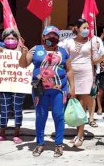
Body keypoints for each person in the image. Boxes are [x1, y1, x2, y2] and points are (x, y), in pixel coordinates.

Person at [19, 26, 75, 157]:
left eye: (55, 36)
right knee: (41, 116)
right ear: (43, 37)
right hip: (39, 90)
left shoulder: (63, 51)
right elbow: (23, 64)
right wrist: (23, 53)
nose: (52, 38)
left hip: (59, 90)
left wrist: (73, 87)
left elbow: (69, 70)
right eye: (49, 35)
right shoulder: (35, 49)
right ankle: (39, 144)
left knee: (58, 116)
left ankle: (58, 144)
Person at [61, 19, 104, 147]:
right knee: (74, 104)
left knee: (82, 105)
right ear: (76, 28)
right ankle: (77, 133)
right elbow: (64, 58)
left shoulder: (92, 42)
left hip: (86, 75)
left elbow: (94, 61)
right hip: (72, 75)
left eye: (88, 27)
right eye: (84, 27)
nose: (87, 30)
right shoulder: (68, 42)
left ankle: (80, 135)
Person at [0, 28, 25, 144]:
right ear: (4, 40)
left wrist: (25, 53)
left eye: (13, 38)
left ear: (17, 40)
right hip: (5, 86)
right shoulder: (0, 50)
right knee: (4, 109)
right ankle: (2, 133)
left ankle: (17, 134)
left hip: (19, 85)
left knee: (17, 109)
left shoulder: (23, 51)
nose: (10, 40)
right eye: (8, 38)